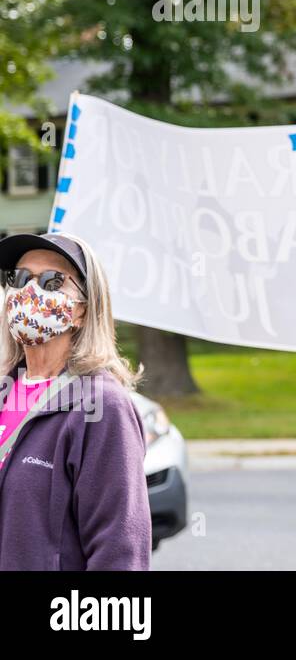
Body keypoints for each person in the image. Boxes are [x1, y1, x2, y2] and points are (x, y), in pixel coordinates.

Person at [0, 231, 151, 570]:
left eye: (53, 282)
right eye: (20, 278)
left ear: (82, 310)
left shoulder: (101, 406)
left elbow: (119, 550)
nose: (30, 292)